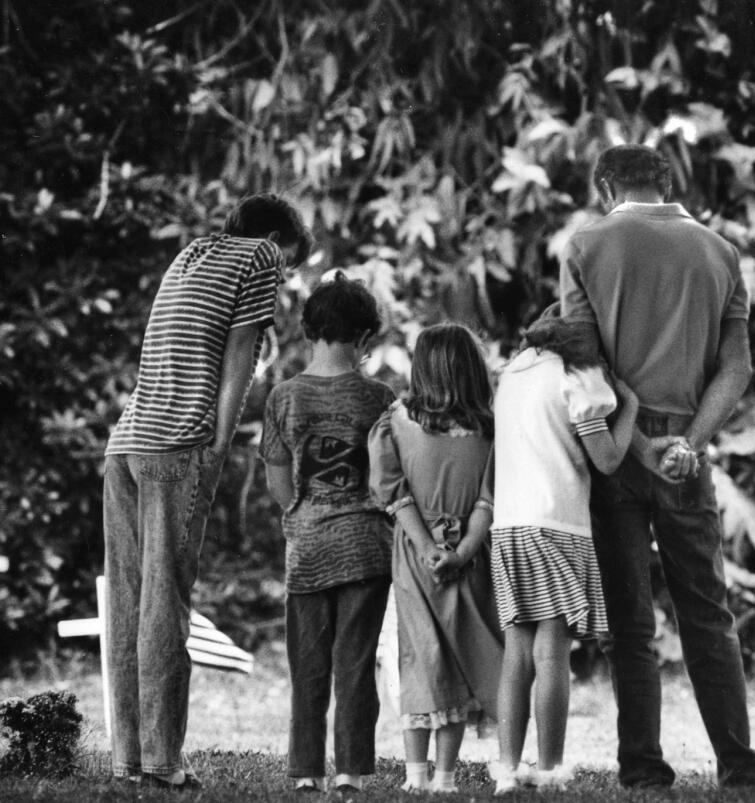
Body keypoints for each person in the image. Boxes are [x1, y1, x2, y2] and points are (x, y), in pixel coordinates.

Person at [560, 144, 755, 788]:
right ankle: (737, 762)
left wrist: (641, 448)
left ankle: (644, 766)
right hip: (686, 454)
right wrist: (690, 444)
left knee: (631, 621)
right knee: (708, 611)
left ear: (605, 187)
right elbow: (737, 368)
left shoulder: (585, 246)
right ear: (666, 182)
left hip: (617, 453)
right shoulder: (719, 251)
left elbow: (586, 365)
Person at [103, 194, 314, 789]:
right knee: (166, 601)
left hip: (127, 443)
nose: (284, 273)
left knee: (128, 601)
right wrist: (219, 443)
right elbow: (240, 356)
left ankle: (130, 759)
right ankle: (164, 761)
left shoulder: (191, 255)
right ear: (278, 238)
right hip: (177, 444)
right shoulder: (260, 255)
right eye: (290, 261)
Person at [487, 306, 639, 795]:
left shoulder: (514, 371)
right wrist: (629, 406)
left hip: (509, 524)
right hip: (556, 523)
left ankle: (508, 770)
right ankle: (550, 768)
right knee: (553, 649)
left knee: (517, 650)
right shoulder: (580, 376)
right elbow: (608, 460)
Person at [259, 272, 395, 795]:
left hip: (308, 550)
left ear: (308, 330)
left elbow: (276, 476)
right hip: (366, 548)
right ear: (364, 338)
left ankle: (306, 769)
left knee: (308, 666)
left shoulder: (284, 397)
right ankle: (352, 769)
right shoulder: (379, 396)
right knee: (356, 663)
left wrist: (301, 509)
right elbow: (387, 473)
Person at [368, 323, 504, 794]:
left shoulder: (397, 421)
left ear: (422, 368)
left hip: (414, 556)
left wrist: (427, 548)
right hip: (471, 557)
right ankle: (445, 778)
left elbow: (394, 493)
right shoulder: (491, 428)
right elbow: (490, 500)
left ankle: (416, 777)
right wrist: (462, 550)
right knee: (461, 657)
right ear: (472, 368)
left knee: (420, 658)